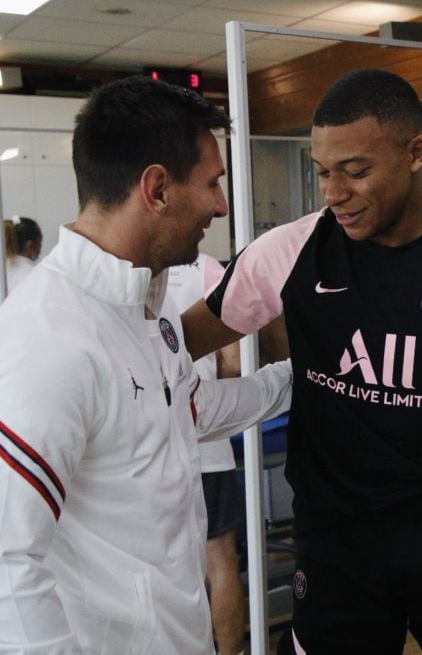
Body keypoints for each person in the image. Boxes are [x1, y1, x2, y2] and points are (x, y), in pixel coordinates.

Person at [182, 69, 422, 655]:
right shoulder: (289, 252)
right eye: (322, 172)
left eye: (356, 171)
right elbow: (174, 342)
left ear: (415, 153)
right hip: (336, 552)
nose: (333, 193)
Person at [0, 76, 292, 655]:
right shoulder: (46, 341)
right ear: (156, 189)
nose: (221, 204)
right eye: (212, 183)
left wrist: (301, 377)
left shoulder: (139, 311)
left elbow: (189, 409)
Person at [166, 255, 248, 655]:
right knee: (220, 560)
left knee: (169, 566)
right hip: (209, 447)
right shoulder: (209, 273)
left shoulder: (132, 270)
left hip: (155, 447)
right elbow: (233, 363)